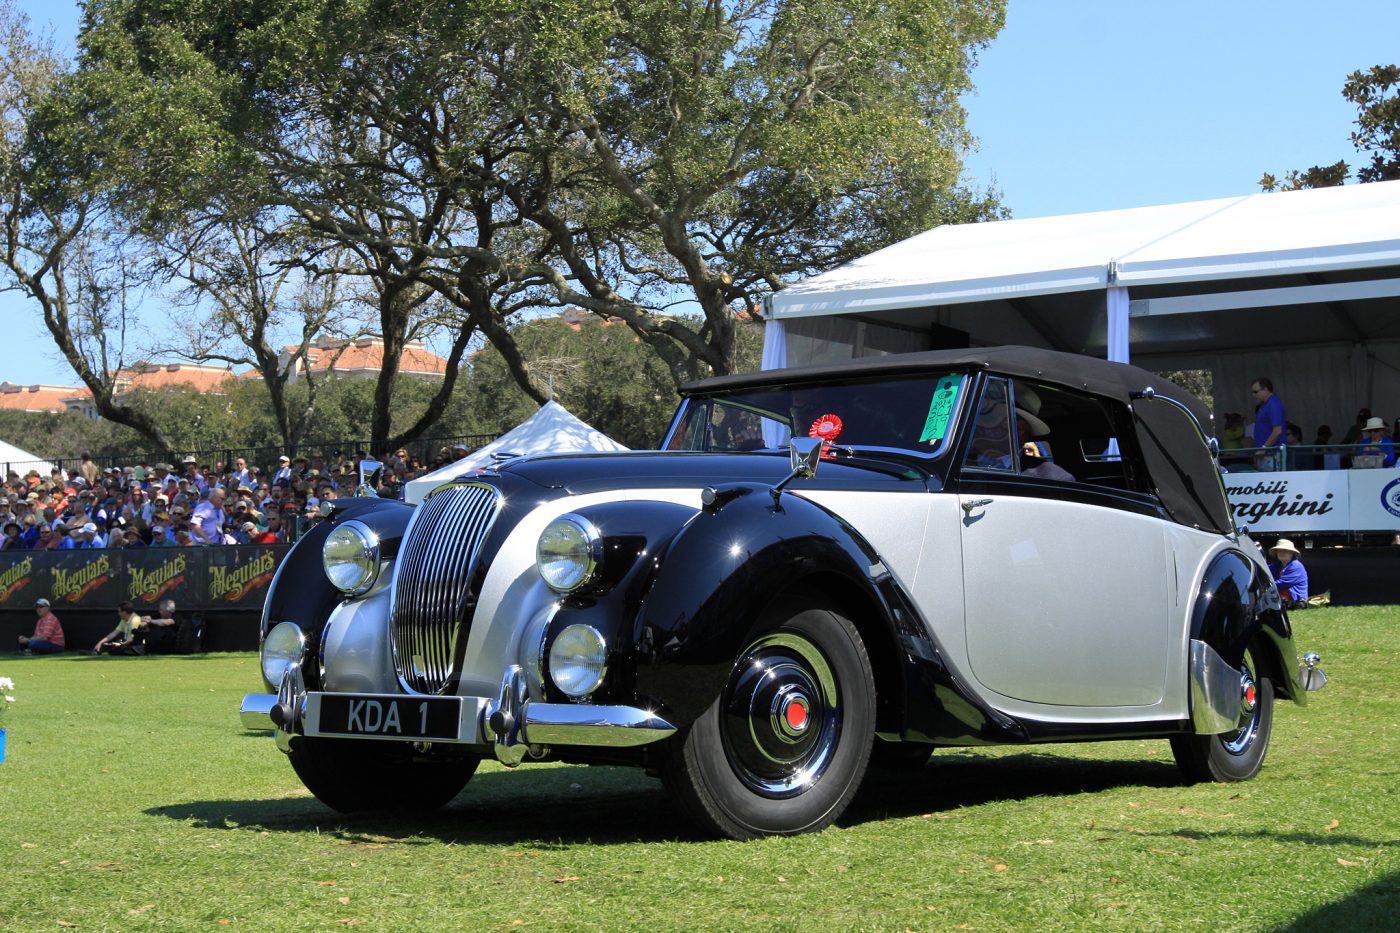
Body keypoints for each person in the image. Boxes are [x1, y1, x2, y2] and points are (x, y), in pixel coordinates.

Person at [1250, 377, 1286, 470]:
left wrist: (1263, 449)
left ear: (1265, 389)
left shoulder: (1273, 404)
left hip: (1272, 454)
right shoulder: (1265, 405)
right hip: (1267, 454)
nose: (1253, 395)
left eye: (1255, 391)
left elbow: (1277, 430)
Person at [1268, 539, 1310, 609]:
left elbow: (1281, 584)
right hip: (1281, 599)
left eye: (1285, 550)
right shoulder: (1277, 565)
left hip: (1296, 601)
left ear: (1292, 553)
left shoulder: (1296, 566)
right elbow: (1264, 569)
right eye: (1279, 550)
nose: (1281, 553)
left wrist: (1263, 586)